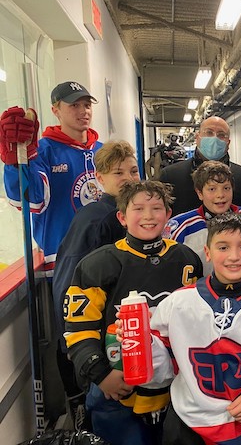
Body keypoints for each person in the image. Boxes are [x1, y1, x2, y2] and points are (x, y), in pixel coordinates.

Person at [130, 212, 241, 445]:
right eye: (223, 247)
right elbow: (162, 371)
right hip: (189, 425)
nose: (234, 256)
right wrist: (140, 342)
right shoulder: (176, 303)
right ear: (207, 252)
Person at [64, 181, 202, 445]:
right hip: (117, 392)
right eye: (138, 209)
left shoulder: (186, 259)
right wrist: (102, 375)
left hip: (176, 392)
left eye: (156, 208)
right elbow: (78, 330)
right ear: (122, 217)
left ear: (168, 214)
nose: (148, 216)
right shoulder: (97, 265)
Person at [53, 140, 141, 429]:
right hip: (100, 345)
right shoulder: (100, 220)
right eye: (118, 173)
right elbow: (72, 285)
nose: (128, 179)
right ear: (100, 179)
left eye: (133, 171)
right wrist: (81, 350)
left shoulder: (125, 213)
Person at [1, 81, 102, 277]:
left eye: (87, 105)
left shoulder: (102, 151)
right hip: (64, 261)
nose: (84, 111)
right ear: (56, 111)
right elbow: (30, 201)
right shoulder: (42, 151)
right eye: (74, 105)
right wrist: (15, 164)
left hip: (106, 254)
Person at [166, 161, 241, 277]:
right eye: (212, 189)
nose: (220, 195)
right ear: (199, 193)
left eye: (226, 188)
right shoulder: (179, 227)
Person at [159, 115, 241, 214]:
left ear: (228, 143)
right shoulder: (171, 176)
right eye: (209, 133)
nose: (214, 139)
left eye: (221, 135)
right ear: (197, 138)